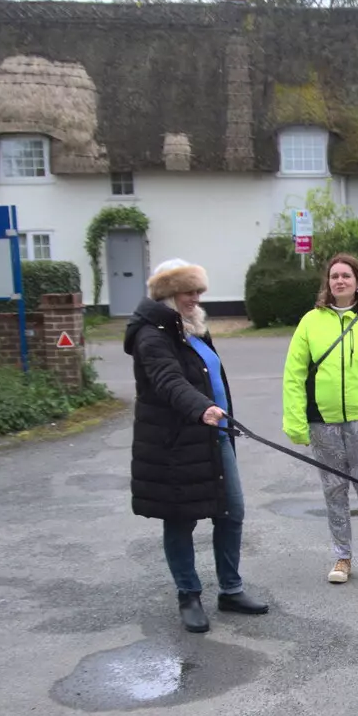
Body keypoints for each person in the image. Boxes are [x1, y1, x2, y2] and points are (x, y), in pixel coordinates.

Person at [126, 259, 268, 633]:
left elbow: (210, 376)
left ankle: (231, 590)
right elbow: (167, 380)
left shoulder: (193, 328)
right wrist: (202, 407)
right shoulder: (151, 335)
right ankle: (188, 594)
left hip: (214, 437)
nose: (197, 297)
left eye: (199, 290)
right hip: (174, 444)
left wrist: (217, 414)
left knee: (231, 511)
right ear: (168, 293)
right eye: (190, 291)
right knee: (180, 519)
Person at [281, 253, 358, 587]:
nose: (340, 281)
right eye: (334, 276)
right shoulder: (310, 322)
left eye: (346, 276)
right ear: (327, 283)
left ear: (357, 283)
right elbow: (293, 375)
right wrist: (296, 422)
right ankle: (342, 556)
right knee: (334, 493)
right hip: (323, 424)